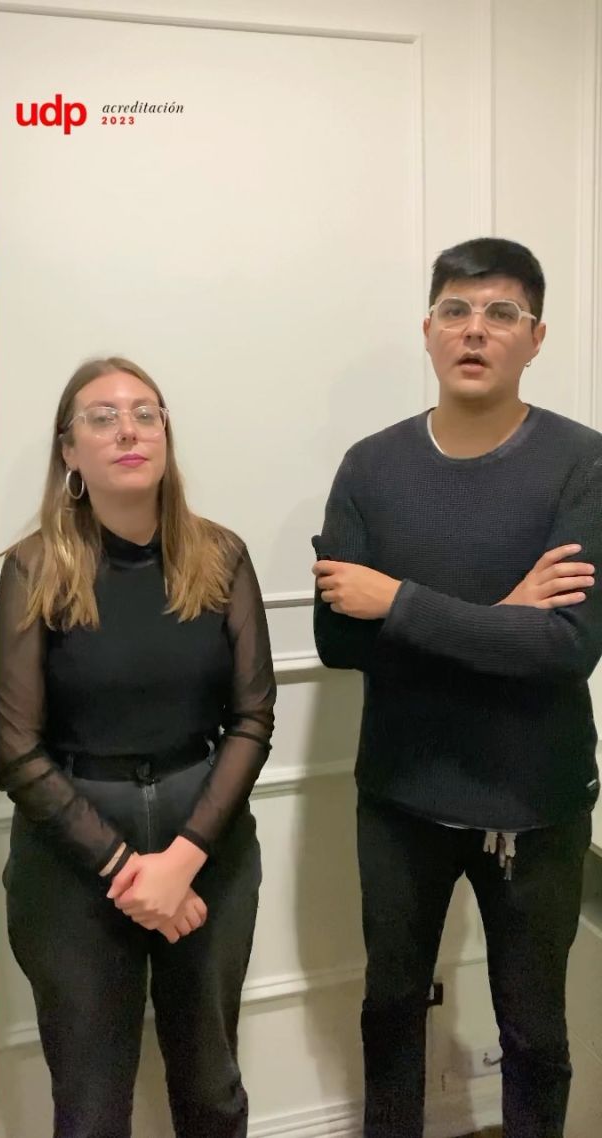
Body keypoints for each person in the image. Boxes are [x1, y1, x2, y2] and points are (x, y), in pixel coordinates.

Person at [312, 237, 602, 1138]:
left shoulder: (584, 464)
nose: (475, 330)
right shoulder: (370, 467)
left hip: (537, 804)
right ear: (429, 330)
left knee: (535, 1033)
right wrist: (501, 617)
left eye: (501, 313)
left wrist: (398, 602)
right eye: (456, 311)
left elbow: (567, 648)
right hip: (401, 796)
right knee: (391, 1008)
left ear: (537, 337)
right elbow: (337, 640)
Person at [0, 356, 276, 1138]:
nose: (128, 430)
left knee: (213, 1090)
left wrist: (182, 861)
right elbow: (12, 748)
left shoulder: (222, 556)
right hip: (72, 861)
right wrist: (126, 868)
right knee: (90, 1109)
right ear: (69, 450)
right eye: (102, 416)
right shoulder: (32, 568)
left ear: (166, 437)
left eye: (145, 413)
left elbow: (253, 718)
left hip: (208, 845)